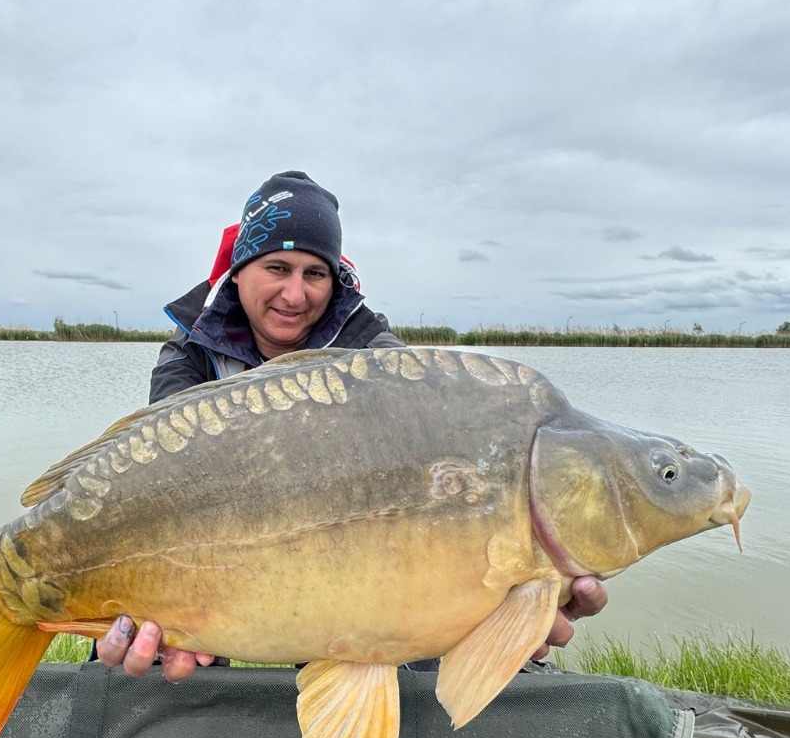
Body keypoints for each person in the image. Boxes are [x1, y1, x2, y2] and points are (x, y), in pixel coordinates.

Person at [94, 170, 608, 681]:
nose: (295, 295)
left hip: (348, 560)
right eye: (278, 267)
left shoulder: (381, 361)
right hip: (218, 557)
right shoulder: (187, 356)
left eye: (314, 274)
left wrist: (503, 599)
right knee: (139, 650)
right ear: (238, 270)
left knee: (417, 633)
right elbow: (160, 490)